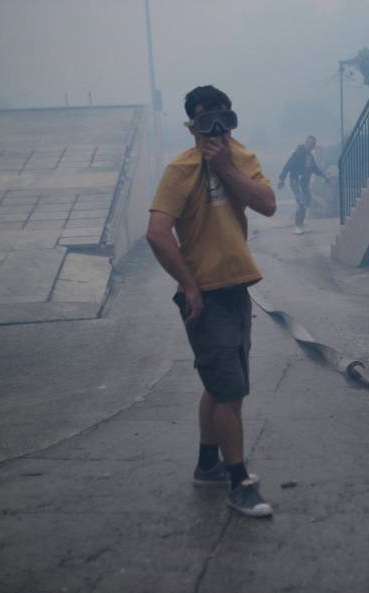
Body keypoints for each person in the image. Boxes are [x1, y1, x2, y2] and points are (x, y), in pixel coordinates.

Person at [146, 85, 276, 518]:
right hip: (205, 297)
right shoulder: (180, 170)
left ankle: (208, 464)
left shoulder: (241, 159)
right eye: (206, 122)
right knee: (229, 393)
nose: (216, 129)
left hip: (237, 289)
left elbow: (267, 204)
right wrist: (189, 286)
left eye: (223, 118)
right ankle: (238, 482)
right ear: (192, 125)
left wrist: (225, 168)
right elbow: (157, 232)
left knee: (222, 387)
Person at [278, 135, 328, 234]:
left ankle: (301, 225)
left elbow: (314, 168)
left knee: (306, 202)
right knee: (301, 203)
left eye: (312, 144)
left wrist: (324, 175)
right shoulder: (297, 153)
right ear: (305, 143)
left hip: (304, 184)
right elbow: (287, 166)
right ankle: (297, 227)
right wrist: (281, 179)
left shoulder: (310, 156)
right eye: (309, 143)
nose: (311, 145)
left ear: (314, 146)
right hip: (295, 182)